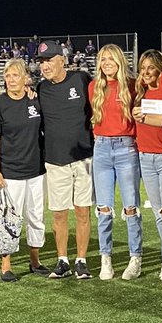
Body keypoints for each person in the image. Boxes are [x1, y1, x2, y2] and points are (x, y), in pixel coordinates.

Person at [0, 58, 50, 282]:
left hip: (36, 170)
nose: (11, 80)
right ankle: (6, 264)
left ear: (25, 78)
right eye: (8, 76)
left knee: (36, 216)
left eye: (15, 75)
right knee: (10, 219)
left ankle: (35, 260)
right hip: (10, 172)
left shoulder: (35, 101)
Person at [34, 39, 94, 280]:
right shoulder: (40, 89)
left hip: (83, 157)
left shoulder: (81, 80)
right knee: (59, 213)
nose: (45, 66)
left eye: (49, 60)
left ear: (63, 60)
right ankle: (62, 261)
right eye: (41, 62)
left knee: (82, 211)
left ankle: (81, 260)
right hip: (55, 159)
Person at [89, 45, 142, 280]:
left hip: (126, 148)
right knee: (104, 209)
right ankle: (106, 259)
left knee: (131, 207)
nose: (107, 63)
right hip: (101, 148)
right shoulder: (94, 87)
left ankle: (135, 258)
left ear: (120, 61)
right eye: (103, 59)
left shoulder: (132, 85)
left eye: (111, 59)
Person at [132, 49, 162, 284]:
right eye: (143, 68)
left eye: (151, 67)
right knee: (159, 214)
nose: (146, 72)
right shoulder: (138, 93)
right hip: (145, 158)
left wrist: (144, 117)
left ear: (160, 67)